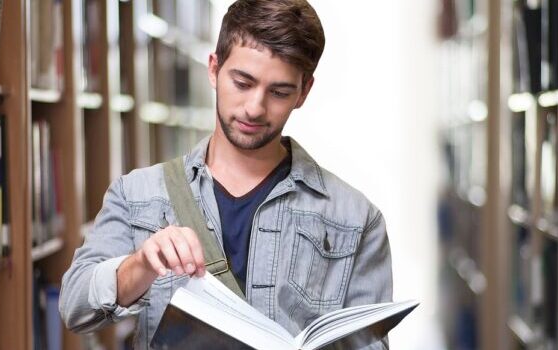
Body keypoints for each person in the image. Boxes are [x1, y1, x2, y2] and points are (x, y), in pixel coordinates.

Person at [59, 0, 393, 348]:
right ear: (214, 69)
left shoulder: (357, 219)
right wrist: (140, 264)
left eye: (279, 92)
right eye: (243, 82)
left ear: (303, 92)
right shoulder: (137, 194)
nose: (255, 107)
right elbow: (75, 307)